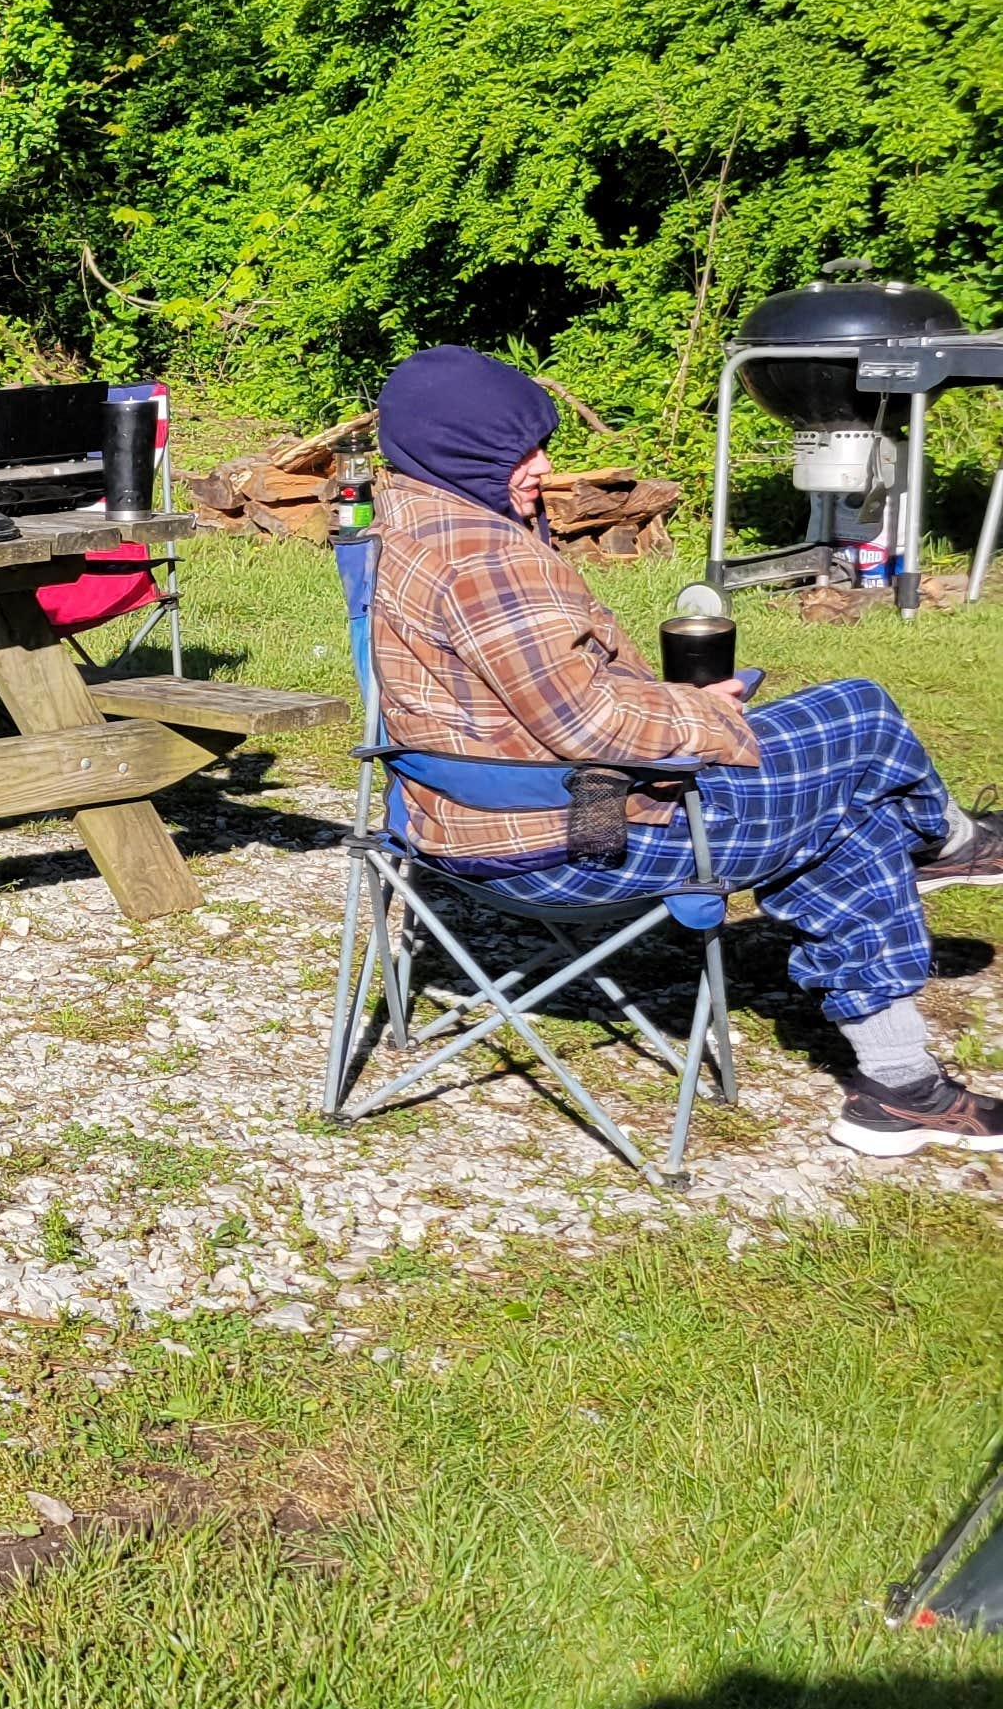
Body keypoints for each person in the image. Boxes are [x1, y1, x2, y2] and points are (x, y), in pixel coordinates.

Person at [368, 344, 1003, 1158]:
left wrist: (677, 707)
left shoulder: (412, 519)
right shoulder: (485, 559)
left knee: (848, 816)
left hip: (462, 818)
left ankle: (900, 1084)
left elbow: (532, 698)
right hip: (569, 837)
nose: (544, 464)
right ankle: (951, 844)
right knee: (862, 715)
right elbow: (587, 726)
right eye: (519, 449)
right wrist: (702, 717)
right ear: (463, 449)